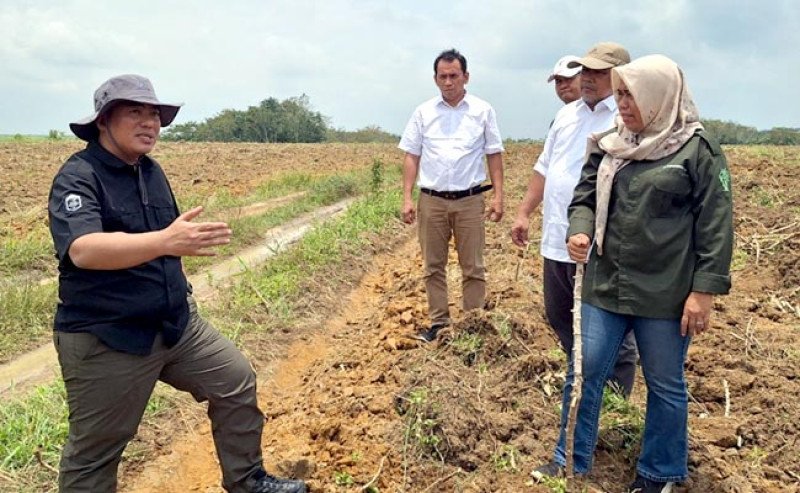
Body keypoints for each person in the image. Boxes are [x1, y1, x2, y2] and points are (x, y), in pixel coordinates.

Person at [47, 74, 306, 493]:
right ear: (103, 121)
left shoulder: (150, 171)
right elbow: (83, 249)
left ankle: (247, 480)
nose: (150, 122)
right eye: (135, 112)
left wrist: (176, 246)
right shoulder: (79, 176)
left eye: (155, 114)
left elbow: (164, 239)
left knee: (235, 382)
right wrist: (167, 241)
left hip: (175, 325)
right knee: (96, 451)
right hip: (109, 335)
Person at [534, 55, 734, 493]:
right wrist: (581, 231)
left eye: (630, 95)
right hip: (606, 283)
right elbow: (583, 198)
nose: (622, 104)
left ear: (659, 98)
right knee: (584, 370)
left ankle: (658, 472)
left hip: (665, 292)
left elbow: (716, 225)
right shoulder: (609, 143)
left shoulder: (697, 150)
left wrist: (704, 292)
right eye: (619, 93)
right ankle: (569, 458)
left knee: (665, 383)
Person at [511, 42, 638, 397]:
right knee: (560, 317)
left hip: (600, 244)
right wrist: (523, 213)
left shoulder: (626, 117)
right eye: (586, 71)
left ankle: (614, 402)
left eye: (599, 72)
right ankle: (581, 386)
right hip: (557, 240)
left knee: (610, 328)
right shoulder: (567, 116)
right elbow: (544, 168)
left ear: (620, 77)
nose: (588, 79)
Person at [399, 49, 505, 342]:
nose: (448, 82)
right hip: (432, 200)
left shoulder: (482, 111)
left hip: (470, 200)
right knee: (433, 266)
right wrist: (407, 197)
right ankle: (440, 324)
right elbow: (412, 156)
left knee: (473, 266)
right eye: (442, 76)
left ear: (465, 77)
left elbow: (494, 154)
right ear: (435, 79)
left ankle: (472, 326)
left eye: (454, 76)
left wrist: (498, 195)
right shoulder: (423, 113)